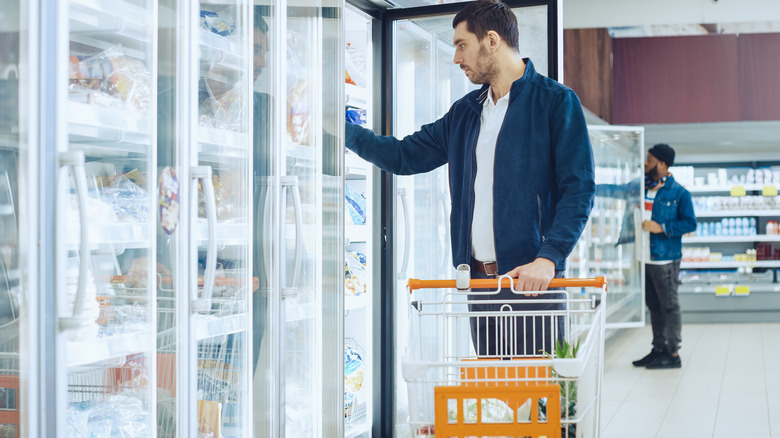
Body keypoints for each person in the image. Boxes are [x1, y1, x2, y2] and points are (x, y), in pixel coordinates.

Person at [345, 0, 595, 356]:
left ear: (491, 40)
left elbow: (579, 189)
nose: (456, 58)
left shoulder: (555, 102)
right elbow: (403, 155)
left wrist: (549, 258)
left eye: (462, 45)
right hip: (479, 281)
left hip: (532, 280)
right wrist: (344, 132)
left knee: (535, 400)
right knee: (492, 398)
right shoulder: (465, 113)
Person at [631, 143, 696, 369]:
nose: (645, 164)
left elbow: (690, 223)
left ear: (662, 164)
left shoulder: (679, 192)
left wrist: (662, 227)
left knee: (669, 306)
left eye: (649, 160)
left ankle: (673, 354)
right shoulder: (643, 188)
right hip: (645, 257)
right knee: (654, 306)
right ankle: (658, 349)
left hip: (665, 259)